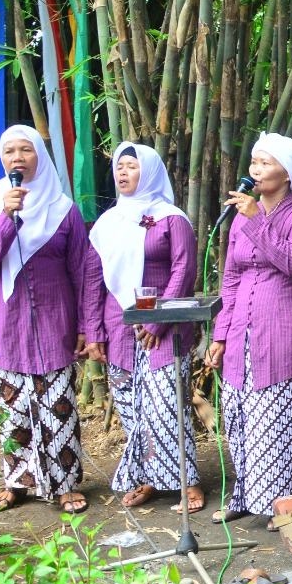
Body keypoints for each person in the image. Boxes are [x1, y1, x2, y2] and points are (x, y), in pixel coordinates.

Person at [0, 125, 98, 514]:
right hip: (6, 323)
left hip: (55, 319)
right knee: (14, 407)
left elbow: (85, 269)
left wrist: (87, 327)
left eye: (26, 150)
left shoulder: (64, 209)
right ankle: (17, 482)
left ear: (40, 157)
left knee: (57, 405)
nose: (17, 158)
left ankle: (64, 484)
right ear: (2, 158)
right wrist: (7, 218)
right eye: (9, 151)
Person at [206, 133, 292, 522]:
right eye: (254, 162)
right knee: (240, 418)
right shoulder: (242, 216)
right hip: (241, 332)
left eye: (265, 163)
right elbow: (232, 279)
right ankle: (243, 496)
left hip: (285, 332)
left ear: (288, 174)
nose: (255, 170)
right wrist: (220, 334)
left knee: (276, 422)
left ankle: (283, 507)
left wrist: (257, 219)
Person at [86, 143, 202, 514]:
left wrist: (156, 322)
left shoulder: (171, 218)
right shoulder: (108, 223)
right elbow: (93, 279)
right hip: (118, 326)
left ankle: (187, 481)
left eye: (131, 166)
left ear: (149, 172)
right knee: (132, 408)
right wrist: (94, 332)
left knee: (168, 406)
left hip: (163, 329)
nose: (122, 173)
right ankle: (151, 477)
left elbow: (183, 272)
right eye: (119, 167)